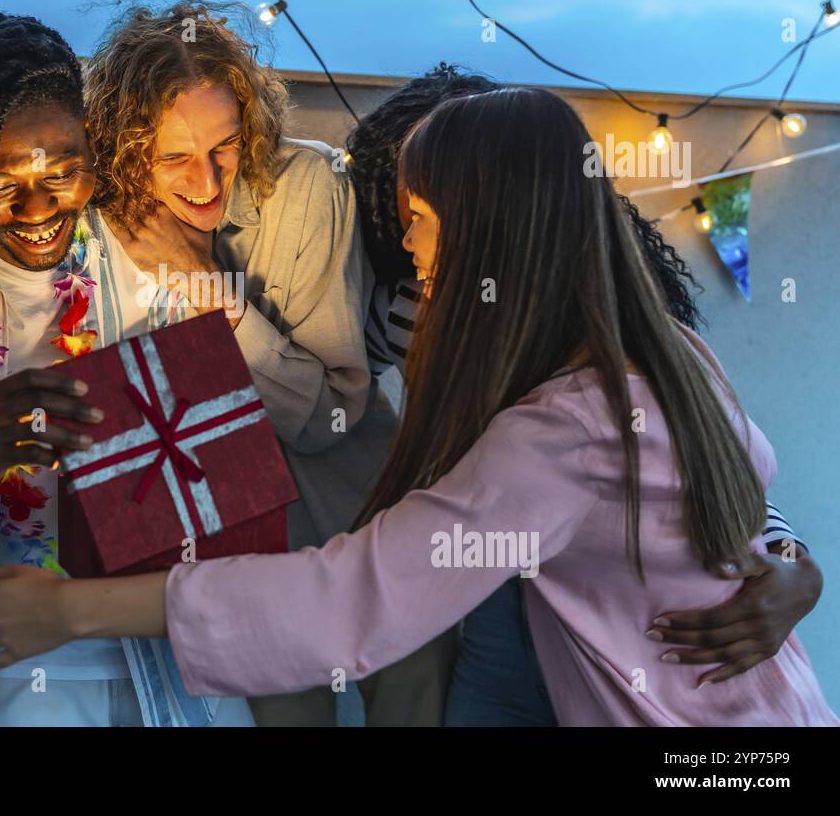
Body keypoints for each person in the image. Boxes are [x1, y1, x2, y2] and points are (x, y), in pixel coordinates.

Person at [0, 87, 837, 727]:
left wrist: (72, 611)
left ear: (484, 226)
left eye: (417, 216)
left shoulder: (559, 435)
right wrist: (790, 558)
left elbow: (350, 600)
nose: (407, 245)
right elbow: (730, 501)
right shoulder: (671, 353)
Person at [348, 64, 823, 726]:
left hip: (618, 602)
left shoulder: (632, 322)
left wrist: (796, 566)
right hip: (499, 596)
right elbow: (336, 403)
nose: (411, 236)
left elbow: (714, 468)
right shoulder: (411, 306)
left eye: (429, 207)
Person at [0, 12, 253, 727]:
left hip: (167, 655)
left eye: (66, 168)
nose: (39, 206)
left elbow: (227, 493)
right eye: (2, 180)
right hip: (17, 668)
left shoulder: (152, 266)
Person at [83, 0, 401, 725]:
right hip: (224, 562)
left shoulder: (308, 186)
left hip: (356, 530)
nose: (207, 180)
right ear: (127, 153)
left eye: (224, 145)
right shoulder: (103, 220)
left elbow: (334, 414)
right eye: (173, 158)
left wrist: (218, 303)